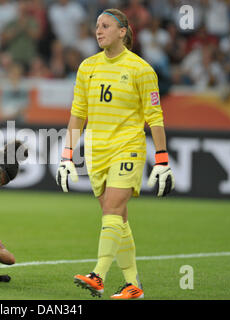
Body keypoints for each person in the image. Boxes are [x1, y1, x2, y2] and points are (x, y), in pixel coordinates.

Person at [56, 8, 175, 300]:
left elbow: (155, 117)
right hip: (97, 152)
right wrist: (66, 155)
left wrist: (162, 160)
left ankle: (98, 276)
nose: (99, 30)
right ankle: (133, 285)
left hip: (128, 148)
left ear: (122, 31)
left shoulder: (141, 69)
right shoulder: (87, 67)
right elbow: (77, 115)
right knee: (117, 217)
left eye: (105, 26)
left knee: (111, 209)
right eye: (97, 26)